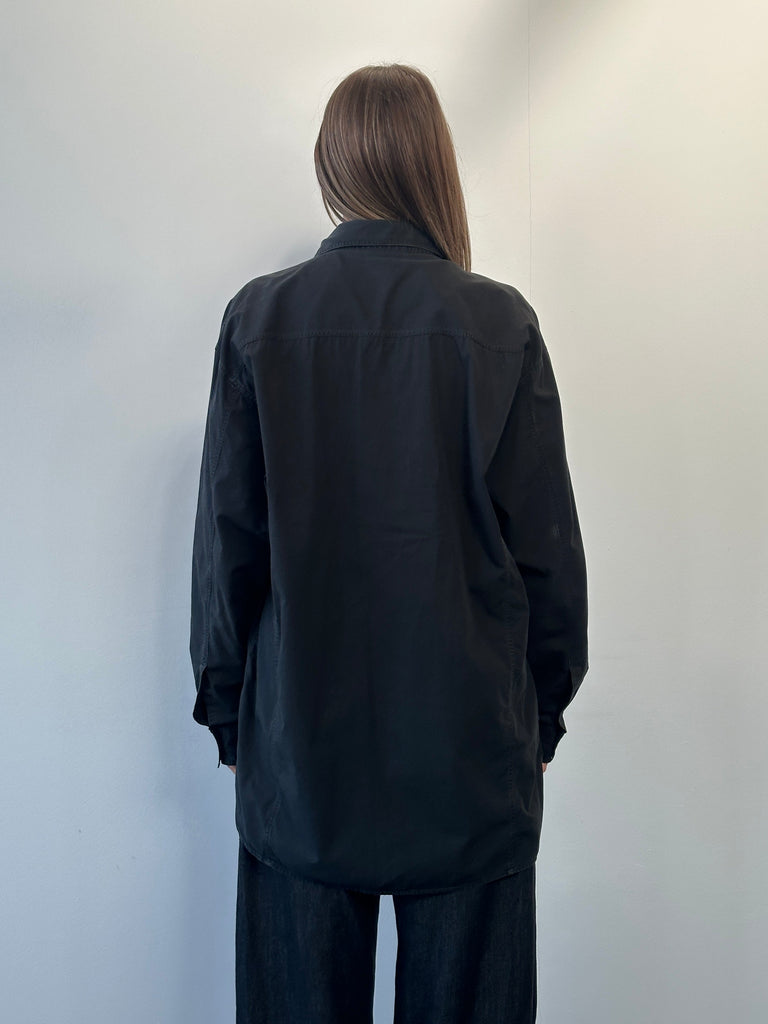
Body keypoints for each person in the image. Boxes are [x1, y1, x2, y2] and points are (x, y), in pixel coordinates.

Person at [189, 61, 588, 1024]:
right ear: (432, 165)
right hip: (468, 765)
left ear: (333, 165)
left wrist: (231, 717)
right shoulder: (500, 323)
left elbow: (227, 551)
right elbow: (547, 557)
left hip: (302, 763)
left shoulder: (259, 321)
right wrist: (542, 717)